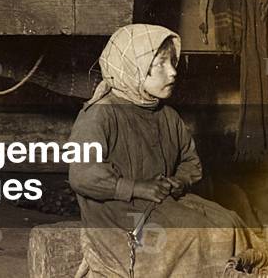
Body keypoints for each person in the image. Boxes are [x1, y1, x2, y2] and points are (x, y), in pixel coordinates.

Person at [68, 24, 255, 277]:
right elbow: (82, 175)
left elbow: (191, 163)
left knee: (228, 222)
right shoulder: (100, 114)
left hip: (162, 200)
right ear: (132, 68)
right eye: (161, 64)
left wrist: (179, 182)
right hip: (117, 213)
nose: (173, 72)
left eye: (173, 63)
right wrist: (135, 187)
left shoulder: (167, 116)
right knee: (191, 234)